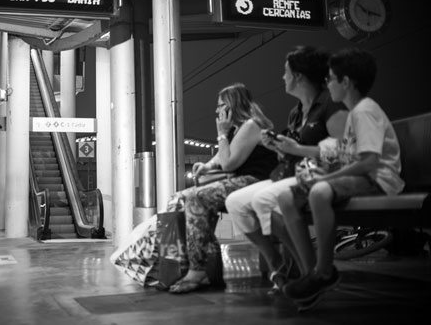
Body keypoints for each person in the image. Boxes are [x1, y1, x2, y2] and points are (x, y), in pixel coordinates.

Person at [278, 48, 404, 310]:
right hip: (362, 177)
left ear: (346, 82)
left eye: (331, 79)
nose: (327, 84)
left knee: (319, 192)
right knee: (286, 197)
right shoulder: (355, 113)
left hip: (378, 180)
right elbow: (348, 156)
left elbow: (369, 162)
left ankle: (323, 272)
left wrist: (329, 176)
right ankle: (310, 270)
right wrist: (321, 168)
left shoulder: (364, 112)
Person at [224, 46, 347, 295]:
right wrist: (279, 147)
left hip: (321, 175)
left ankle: (310, 273)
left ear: (299, 76)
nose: (283, 77)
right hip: (292, 173)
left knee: (264, 199)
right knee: (235, 202)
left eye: (286, 72)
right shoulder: (296, 112)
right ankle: (280, 266)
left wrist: (297, 149)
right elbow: (292, 150)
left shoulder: (330, 107)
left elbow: (343, 150)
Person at [167, 83, 278, 293]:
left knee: (197, 197)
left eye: (220, 105)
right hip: (243, 182)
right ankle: (206, 267)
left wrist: (221, 134)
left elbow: (228, 164)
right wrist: (206, 165)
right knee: (180, 197)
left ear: (232, 105)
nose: (217, 111)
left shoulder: (251, 125)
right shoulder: (239, 129)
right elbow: (220, 158)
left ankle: (198, 269)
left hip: (256, 181)